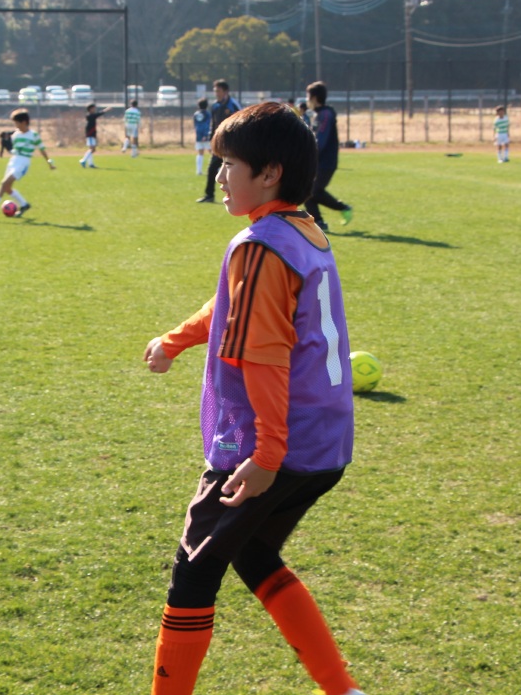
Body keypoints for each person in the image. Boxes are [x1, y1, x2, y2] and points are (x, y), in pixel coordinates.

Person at [142, 101, 363, 695]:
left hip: (271, 445)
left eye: (229, 164)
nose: (219, 176)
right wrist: (177, 339)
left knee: (194, 571)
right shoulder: (302, 230)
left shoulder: (261, 244)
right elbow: (233, 308)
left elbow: (263, 355)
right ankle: (342, 688)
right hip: (324, 442)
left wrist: (265, 455)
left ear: (269, 173)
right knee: (255, 554)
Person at [0, 109, 55, 217]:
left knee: (4, 184)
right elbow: (14, 149)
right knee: (7, 188)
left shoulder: (33, 135)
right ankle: (24, 204)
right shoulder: (15, 135)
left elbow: (42, 149)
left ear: (24, 122)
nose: (15, 125)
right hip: (13, 161)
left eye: (16, 123)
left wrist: (49, 162)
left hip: (23, 162)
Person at [304, 81, 353, 229]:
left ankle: (343, 208)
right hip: (318, 161)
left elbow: (320, 141)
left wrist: (308, 154)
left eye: (308, 96)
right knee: (307, 191)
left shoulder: (325, 115)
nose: (306, 99)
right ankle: (318, 223)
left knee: (312, 191)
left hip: (326, 162)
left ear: (314, 97)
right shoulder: (319, 114)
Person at [197, 80, 242, 203]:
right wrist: (212, 140)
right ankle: (209, 195)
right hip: (219, 144)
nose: (216, 93)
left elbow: (243, 121)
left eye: (218, 91)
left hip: (231, 145)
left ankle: (237, 197)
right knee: (212, 169)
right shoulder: (215, 106)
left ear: (225, 91)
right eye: (215, 91)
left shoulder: (233, 104)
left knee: (233, 171)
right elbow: (213, 124)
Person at [79, 103, 108, 168]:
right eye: (93, 108)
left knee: (91, 149)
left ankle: (90, 164)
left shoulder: (91, 115)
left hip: (92, 134)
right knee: (92, 149)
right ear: (90, 109)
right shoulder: (90, 115)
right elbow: (98, 114)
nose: (95, 109)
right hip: (90, 134)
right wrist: (105, 110)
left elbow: (96, 115)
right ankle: (83, 160)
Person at [192, 98, 211, 176]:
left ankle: (199, 171)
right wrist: (205, 135)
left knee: (200, 153)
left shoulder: (196, 114)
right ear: (207, 105)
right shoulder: (207, 114)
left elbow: (195, 125)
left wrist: (199, 134)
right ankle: (215, 169)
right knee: (213, 153)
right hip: (206, 135)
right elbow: (207, 124)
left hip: (198, 136)